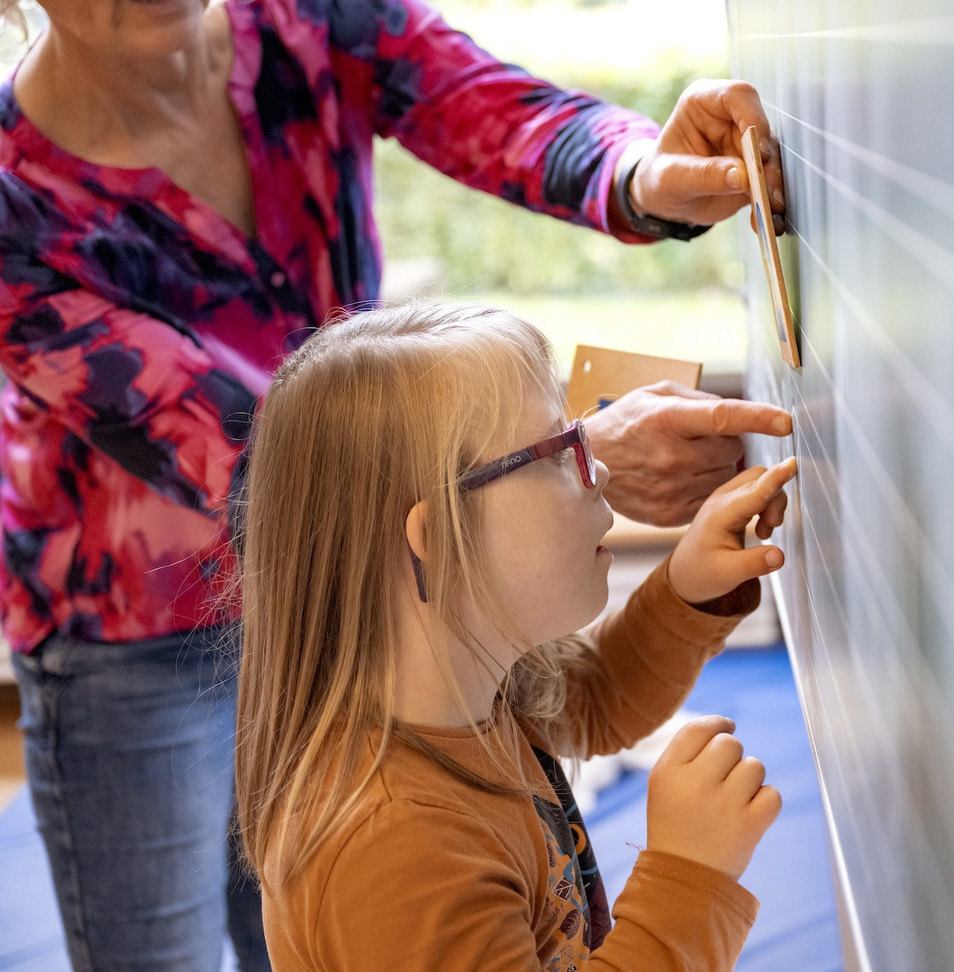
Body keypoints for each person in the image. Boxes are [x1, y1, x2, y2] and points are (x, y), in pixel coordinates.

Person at [0, 0, 789, 967]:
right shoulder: (389, 833)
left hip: (372, 577)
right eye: (560, 453)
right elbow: (282, 470)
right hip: (130, 624)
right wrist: (687, 884)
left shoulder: (463, 678)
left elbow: (499, 111)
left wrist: (646, 175)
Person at [235, 302, 796, 970]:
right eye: (562, 453)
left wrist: (687, 586)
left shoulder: (463, 693)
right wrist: (686, 876)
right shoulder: (392, 847)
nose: (603, 473)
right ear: (439, 539)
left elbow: (592, 698)